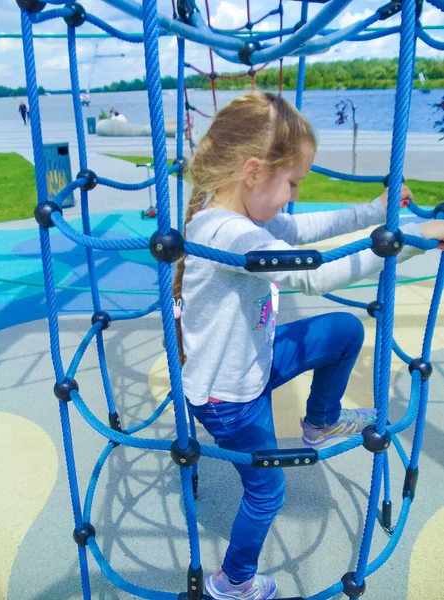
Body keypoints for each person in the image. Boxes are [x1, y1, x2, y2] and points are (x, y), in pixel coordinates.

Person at [173, 92, 444, 600]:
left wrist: (372, 211)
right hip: (228, 398)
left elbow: (300, 229)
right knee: (267, 492)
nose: (293, 193)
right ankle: (232, 582)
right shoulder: (231, 234)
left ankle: (319, 421)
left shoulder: (245, 214)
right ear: (253, 172)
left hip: (255, 360)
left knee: (344, 331)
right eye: (292, 182)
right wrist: (409, 238)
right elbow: (316, 275)